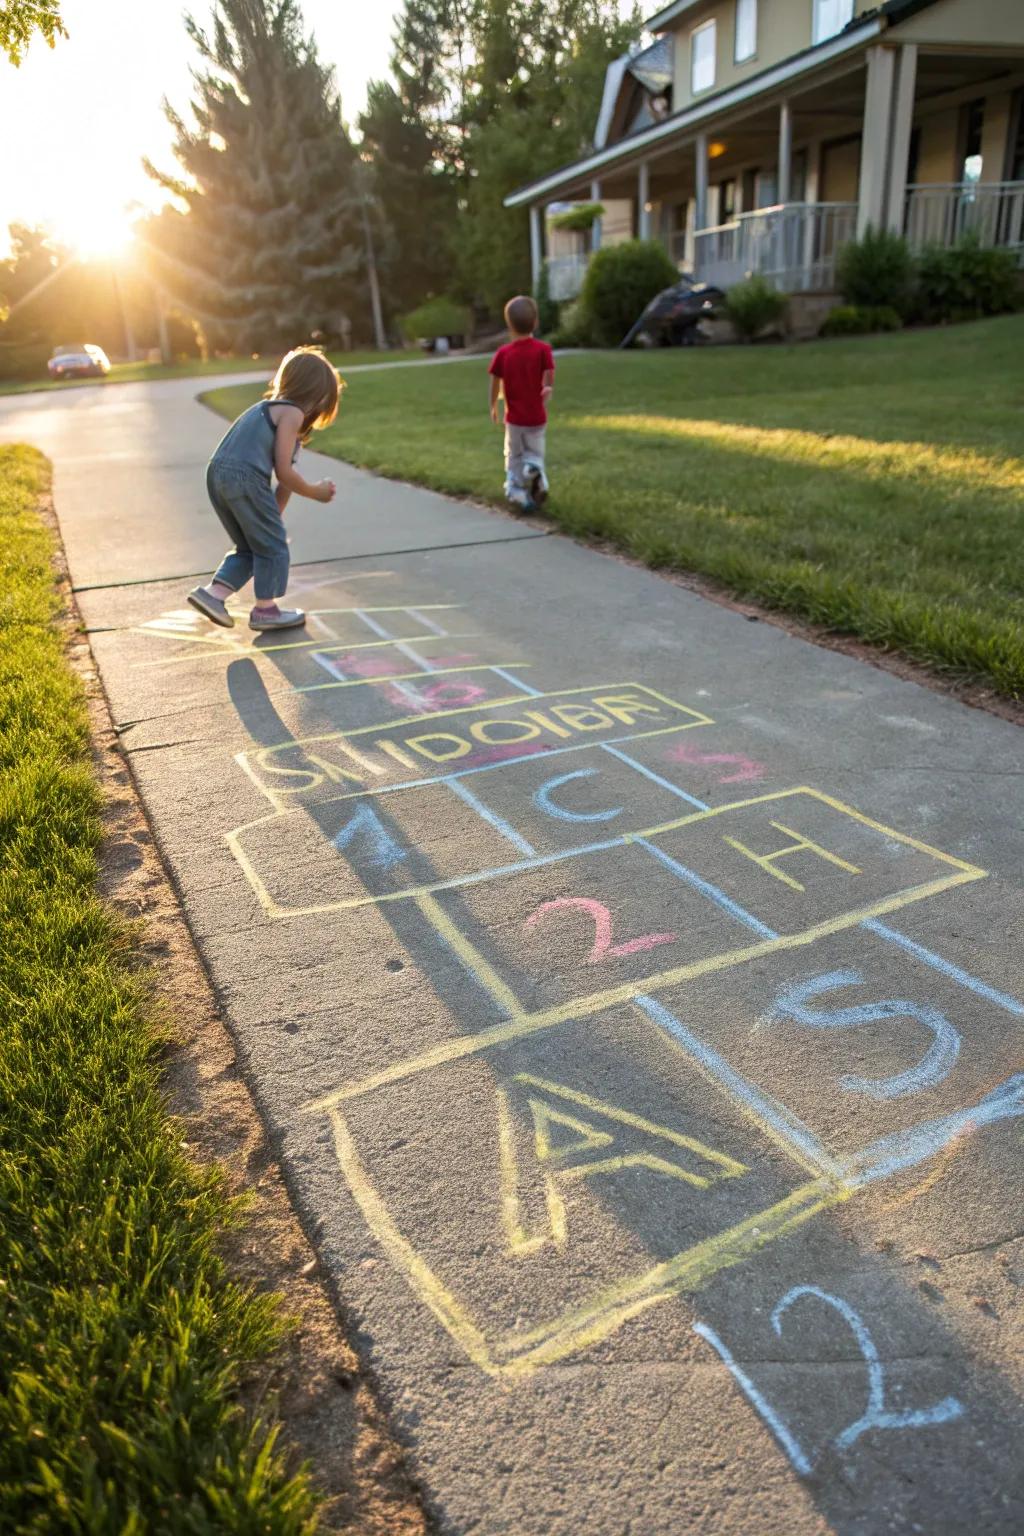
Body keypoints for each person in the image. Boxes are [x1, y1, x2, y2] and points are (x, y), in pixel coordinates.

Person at [188, 346, 341, 632]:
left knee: (253, 546)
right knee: (272, 547)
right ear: (319, 394)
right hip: (244, 478)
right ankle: (266, 611)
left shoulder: (267, 410)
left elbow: (283, 482)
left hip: (218, 476)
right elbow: (285, 472)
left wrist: (273, 521)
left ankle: (213, 595)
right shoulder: (292, 413)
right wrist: (315, 491)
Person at [488, 295, 555, 514]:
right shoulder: (543, 349)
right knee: (535, 449)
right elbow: (549, 372)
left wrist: (493, 406)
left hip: (514, 419)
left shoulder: (503, 354)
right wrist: (548, 387)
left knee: (514, 454)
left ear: (509, 326)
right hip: (537, 417)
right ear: (535, 322)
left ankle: (517, 488)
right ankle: (534, 470)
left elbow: (495, 383)